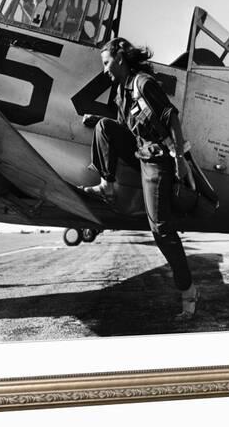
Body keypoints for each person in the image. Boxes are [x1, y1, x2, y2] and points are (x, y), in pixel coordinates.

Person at [82, 37, 198, 320]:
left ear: (120, 59)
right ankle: (108, 185)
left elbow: (172, 118)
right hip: (138, 152)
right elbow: (123, 128)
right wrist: (96, 118)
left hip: (157, 160)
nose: (105, 70)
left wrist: (180, 163)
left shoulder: (144, 83)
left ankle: (188, 291)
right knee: (104, 127)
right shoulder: (121, 92)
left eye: (107, 63)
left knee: (160, 229)